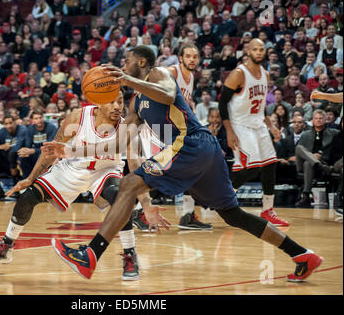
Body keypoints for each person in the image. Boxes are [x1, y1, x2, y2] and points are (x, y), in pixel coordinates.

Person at [46, 44, 323, 282]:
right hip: (201, 153)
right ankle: (303, 255)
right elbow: (120, 141)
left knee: (129, 184)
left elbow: (166, 96)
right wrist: (72, 150)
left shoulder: (161, 74)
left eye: (126, 60)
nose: (123, 65)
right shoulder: (135, 103)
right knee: (232, 215)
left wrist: (129, 81)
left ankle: (90, 255)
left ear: (142, 61)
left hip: (193, 143)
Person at [0, 91, 142, 281]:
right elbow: (52, 150)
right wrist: (31, 178)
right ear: (98, 104)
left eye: (120, 102)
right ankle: (6, 246)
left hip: (106, 170)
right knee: (28, 196)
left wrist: (143, 201)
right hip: (73, 168)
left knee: (119, 197)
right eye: (111, 102)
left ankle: (130, 255)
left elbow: (135, 164)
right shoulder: (78, 117)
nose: (117, 107)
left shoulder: (126, 127)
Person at [133, 44, 212, 230]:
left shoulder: (191, 77)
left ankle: (186, 215)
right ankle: (139, 211)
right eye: (188, 56)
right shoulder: (170, 72)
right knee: (159, 172)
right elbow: (145, 92)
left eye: (195, 56)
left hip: (174, 131)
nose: (192, 59)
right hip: (157, 128)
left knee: (190, 167)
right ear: (180, 58)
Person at [219, 40, 290, 226]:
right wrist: (229, 131)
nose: (259, 52)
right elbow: (222, 103)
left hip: (258, 125)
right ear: (248, 51)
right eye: (255, 49)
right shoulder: (238, 74)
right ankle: (223, 197)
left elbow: (261, 107)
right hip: (240, 126)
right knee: (253, 168)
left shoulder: (265, 75)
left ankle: (267, 210)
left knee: (270, 165)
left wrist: (272, 126)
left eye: (262, 49)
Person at [295, 109, 340, 208]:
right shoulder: (306, 134)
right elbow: (299, 152)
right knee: (299, 148)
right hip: (307, 164)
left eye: (320, 118)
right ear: (312, 120)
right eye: (316, 118)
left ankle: (306, 195)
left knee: (308, 163)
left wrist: (319, 158)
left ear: (325, 120)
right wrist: (312, 156)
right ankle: (316, 162)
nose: (318, 120)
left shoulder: (333, 133)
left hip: (323, 163)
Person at [0, 112, 28, 198]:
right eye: (6, 124)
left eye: (10, 123)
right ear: (3, 125)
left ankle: (16, 186)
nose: (9, 126)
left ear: (15, 122)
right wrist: (1, 147)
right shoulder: (1, 131)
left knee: (12, 154)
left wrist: (2, 147)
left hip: (20, 158)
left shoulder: (22, 129)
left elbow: (18, 147)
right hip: (4, 159)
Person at [18, 110, 57, 178]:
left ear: (43, 118)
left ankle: (42, 179)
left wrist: (33, 151)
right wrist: (25, 151)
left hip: (49, 152)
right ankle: (27, 180)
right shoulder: (30, 128)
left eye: (40, 117)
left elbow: (50, 147)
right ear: (32, 120)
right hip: (37, 151)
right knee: (23, 158)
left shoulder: (51, 127)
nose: (39, 120)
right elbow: (28, 145)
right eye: (36, 118)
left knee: (41, 156)